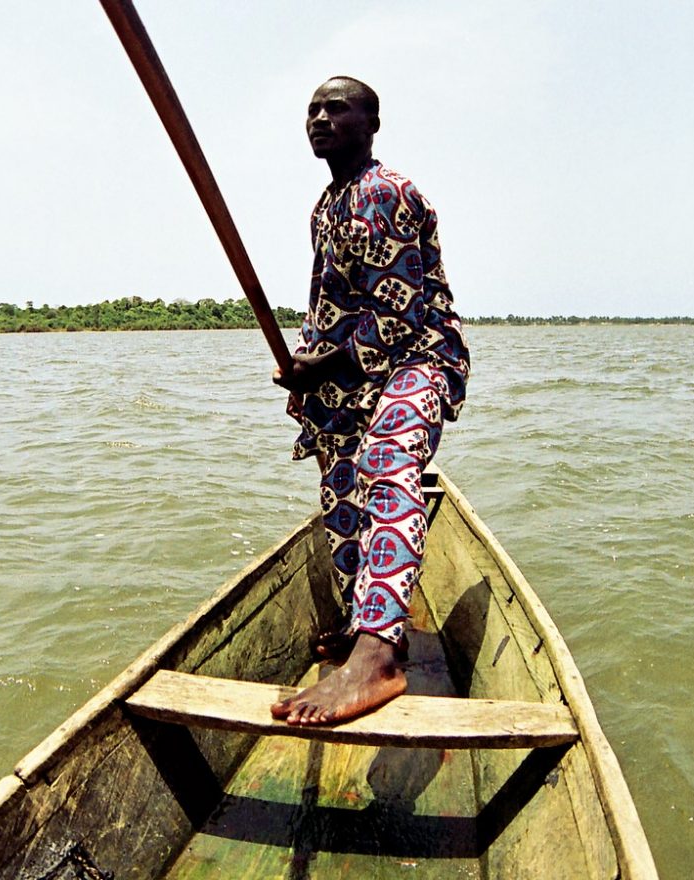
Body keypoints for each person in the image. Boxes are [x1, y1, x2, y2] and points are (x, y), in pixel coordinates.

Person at [271, 76, 470, 726]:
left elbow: (400, 311)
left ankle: (378, 651)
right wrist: (307, 373)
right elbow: (328, 308)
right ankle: (371, 622)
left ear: (372, 123)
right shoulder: (325, 207)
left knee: (387, 462)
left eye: (338, 108)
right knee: (342, 491)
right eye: (313, 110)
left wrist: (323, 362)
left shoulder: (385, 192)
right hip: (354, 372)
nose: (321, 118)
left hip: (417, 356)